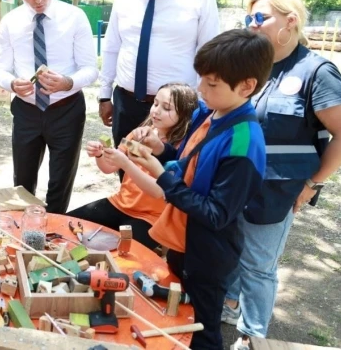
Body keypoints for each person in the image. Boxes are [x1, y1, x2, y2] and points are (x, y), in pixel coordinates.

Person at [111, 29, 273, 349]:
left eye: (211, 83)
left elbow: (216, 213)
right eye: (202, 79)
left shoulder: (244, 142)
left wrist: (164, 177)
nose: (201, 89)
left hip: (208, 254)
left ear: (247, 86)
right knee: (177, 313)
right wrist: (161, 150)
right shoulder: (213, 112)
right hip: (182, 240)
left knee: (201, 328)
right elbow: (189, 164)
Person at [222, 0, 341, 350]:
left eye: (261, 18)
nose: (253, 26)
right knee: (231, 249)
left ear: (290, 20)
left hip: (276, 190)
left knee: (259, 264)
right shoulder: (253, 67)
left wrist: (313, 183)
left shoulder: (316, 72)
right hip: (237, 182)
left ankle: (253, 336)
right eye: (249, 20)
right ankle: (230, 305)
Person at [97, 0, 219, 179]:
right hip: (127, 102)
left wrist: (203, 106)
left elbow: (209, 53)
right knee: (126, 173)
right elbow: (112, 46)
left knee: (169, 178)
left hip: (176, 111)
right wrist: (103, 95)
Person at [0, 0, 98, 214]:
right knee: (23, 182)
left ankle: (54, 232)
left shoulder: (75, 17)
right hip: (27, 110)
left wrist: (68, 82)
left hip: (67, 109)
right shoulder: (10, 22)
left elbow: (90, 68)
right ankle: (24, 234)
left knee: (60, 182)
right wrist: (12, 84)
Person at [66, 82, 198, 249]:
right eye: (155, 103)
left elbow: (158, 191)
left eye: (166, 108)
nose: (156, 111)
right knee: (65, 225)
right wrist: (100, 154)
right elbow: (109, 168)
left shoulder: (182, 149)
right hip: (120, 203)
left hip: (151, 218)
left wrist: (126, 164)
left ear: (184, 114)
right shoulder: (140, 133)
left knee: (123, 256)